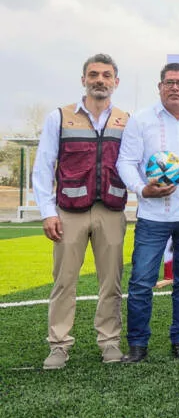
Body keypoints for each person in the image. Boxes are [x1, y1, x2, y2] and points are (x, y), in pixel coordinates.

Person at [32, 54, 129, 369]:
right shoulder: (59, 117)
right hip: (69, 212)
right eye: (93, 74)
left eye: (106, 75)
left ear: (116, 81)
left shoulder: (127, 120)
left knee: (111, 281)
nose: (99, 79)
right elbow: (43, 166)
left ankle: (110, 342)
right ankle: (59, 346)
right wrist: (48, 211)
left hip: (112, 211)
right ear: (83, 79)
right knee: (64, 281)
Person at [116, 62, 179, 363]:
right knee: (142, 281)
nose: (175, 87)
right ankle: (137, 345)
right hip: (153, 216)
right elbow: (125, 162)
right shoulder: (141, 120)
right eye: (169, 82)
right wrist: (141, 189)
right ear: (159, 87)